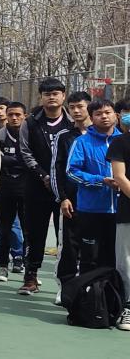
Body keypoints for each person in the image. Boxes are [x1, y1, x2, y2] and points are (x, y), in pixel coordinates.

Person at [18, 78, 72, 296]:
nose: (51, 97)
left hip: (65, 191)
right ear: (41, 97)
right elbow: (25, 152)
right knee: (34, 234)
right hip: (36, 188)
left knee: (65, 237)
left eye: (56, 93)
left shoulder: (71, 123)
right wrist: (43, 175)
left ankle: (66, 283)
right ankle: (30, 276)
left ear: (63, 96)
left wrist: (60, 179)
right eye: (47, 93)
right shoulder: (30, 123)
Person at [65, 99, 120, 274]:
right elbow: (71, 171)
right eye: (98, 114)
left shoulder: (124, 141)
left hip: (121, 211)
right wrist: (100, 180)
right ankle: (88, 290)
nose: (104, 117)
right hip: (91, 210)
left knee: (117, 258)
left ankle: (113, 291)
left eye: (108, 112)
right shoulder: (82, 142)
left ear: (115, 115)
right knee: (90, 257)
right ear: (91, 117)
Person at [51, 91, 93, 304]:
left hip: (97, 203)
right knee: (68, 246)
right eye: (72, 107)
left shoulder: (103, 134)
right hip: (72, 201)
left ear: (89, 107)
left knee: (94, 248)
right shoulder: (64, 136)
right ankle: (65, 288)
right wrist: (63, 198)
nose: (76, 111)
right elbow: (56, 169)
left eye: (80, 107)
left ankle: (91, 288)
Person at [0, 101, 29, 283]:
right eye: (11, 115)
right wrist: (18, 160)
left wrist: (10, 160)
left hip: (26, 189)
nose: (14, 118)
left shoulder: (30, 135)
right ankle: (3, 266)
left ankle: (29, 269)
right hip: (5, 188)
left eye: (18, 115)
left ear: (25, 116)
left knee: (28, 230)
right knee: (5, 229)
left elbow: (31, 159)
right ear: (6, 116)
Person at [103, 106, 130, 331]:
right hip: (127, 211)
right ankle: (126, 307)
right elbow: (120, 177)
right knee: (126, 261)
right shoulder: (120, 143)